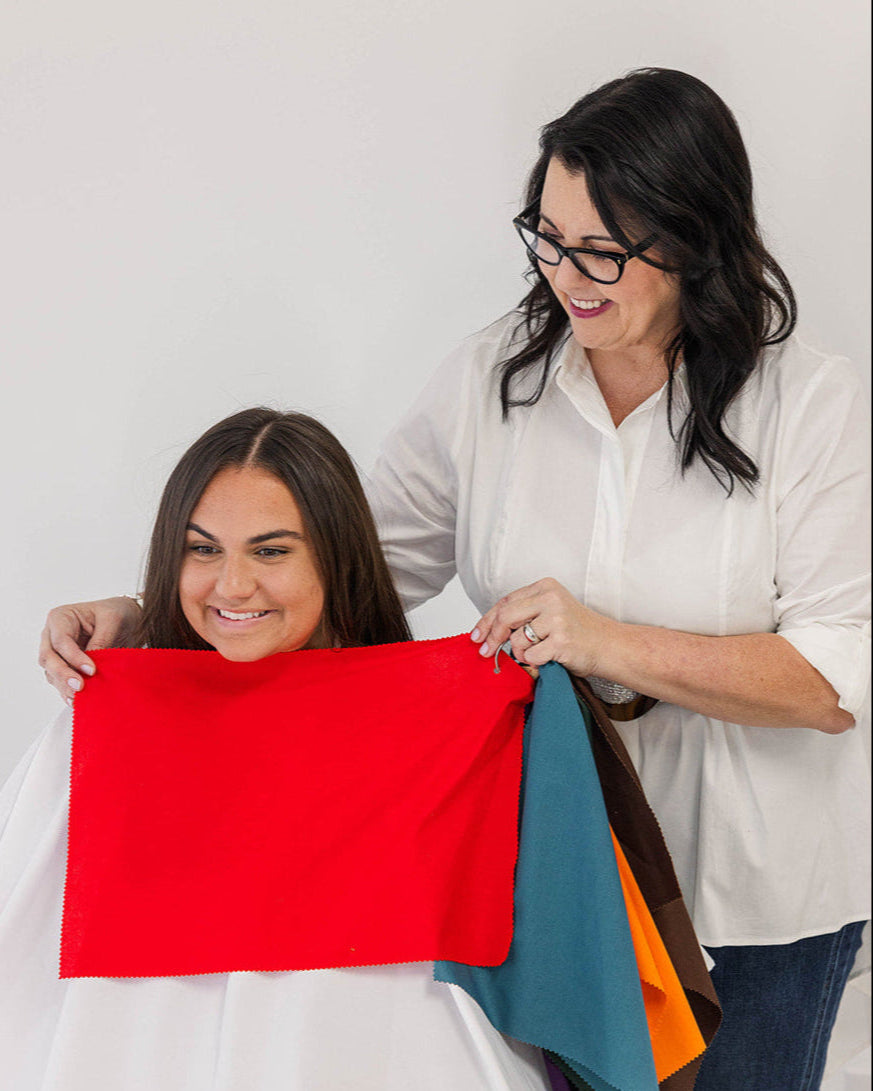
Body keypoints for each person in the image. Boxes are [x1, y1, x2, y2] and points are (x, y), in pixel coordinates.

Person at [37, 68, 870, 1089]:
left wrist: (599, 637)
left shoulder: (812, 404)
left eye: (603, 249)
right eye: (549, 236)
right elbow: (345, 563)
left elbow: (834, 682)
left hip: (755, 901)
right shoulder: (492, 382)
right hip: (548, 888)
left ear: (695, 238)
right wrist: (153, 613)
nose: (570, 273)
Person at [5, 407, 549, 1091]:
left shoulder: (450, 717)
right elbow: (20, 966)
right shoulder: (106, 720)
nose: (231, 585)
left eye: (270, 550)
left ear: (335, 553)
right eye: (202, 549)